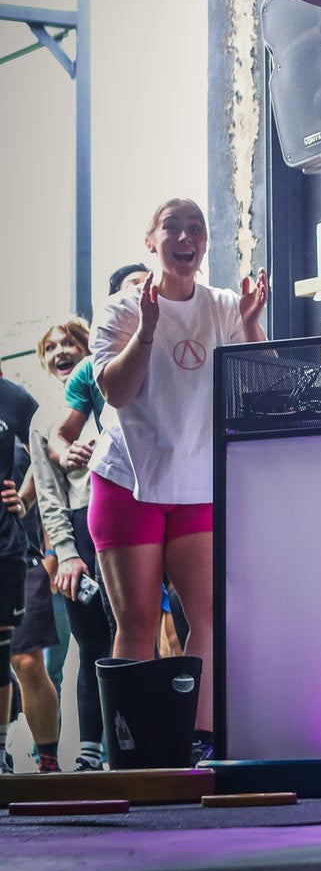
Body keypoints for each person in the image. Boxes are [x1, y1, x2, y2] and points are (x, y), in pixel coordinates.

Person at [57, 201, 267, 762]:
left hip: (197, 482)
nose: (185, 235)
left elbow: (249, 388)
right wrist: (147, 330)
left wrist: (249, 324)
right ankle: (129, 752)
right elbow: (118, 392)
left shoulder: (224, 304)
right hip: (129, 483)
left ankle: (196, 740)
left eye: (196, 226)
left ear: (205, 243)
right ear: (151, 241)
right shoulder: (122, 309)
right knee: (139, 622)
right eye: (171, 226)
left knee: (210, 617)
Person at [33, 312, 117, 770]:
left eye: (69, 343)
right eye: (50, 347)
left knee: (142, 631)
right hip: (80, 530)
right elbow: (47, 495)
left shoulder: (110, 396)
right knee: (92, 642)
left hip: (131, 516)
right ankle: (90, 751)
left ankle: (149, 739)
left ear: (87, 350)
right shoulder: (46, 418)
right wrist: (65, 553)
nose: (60, 352)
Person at [1, 367, 39, 775]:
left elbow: (45, 447)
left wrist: (24, 498)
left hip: (7, 547)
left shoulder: (14, 397)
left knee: (13, 658)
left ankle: (5, 753)